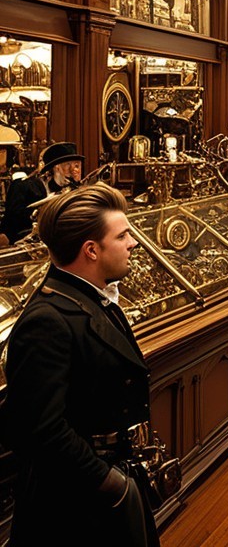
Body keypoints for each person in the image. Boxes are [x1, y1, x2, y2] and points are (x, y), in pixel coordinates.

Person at [1, 183, 158, 547]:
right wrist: (111, 484)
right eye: (122, 236)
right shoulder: (48, 320)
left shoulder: (92, 297)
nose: (133, 243)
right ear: (91, 250)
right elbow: (40, 430)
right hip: (74, 510)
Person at [1, 141, 84, 244]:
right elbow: (12, 222)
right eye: (68, 165)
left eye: (77, 166)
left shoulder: (76, 191)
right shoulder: (23, 186)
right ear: (55, 167)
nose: (74, 170)